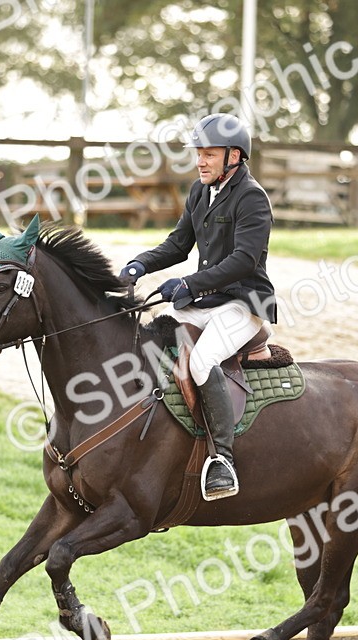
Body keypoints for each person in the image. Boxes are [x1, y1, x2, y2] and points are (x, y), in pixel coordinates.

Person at [119, 113, 276, 501]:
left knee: (202, 361)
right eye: (198, 154)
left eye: (208, 154)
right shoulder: (200, 190)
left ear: (233, 156)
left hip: (244, 303)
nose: (200, 161)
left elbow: (244, 260)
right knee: (152, 333)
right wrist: (138, 265)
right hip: (208, 301)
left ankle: (222, 459)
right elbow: (177, 245)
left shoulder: (252, 197)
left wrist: (189, 284)